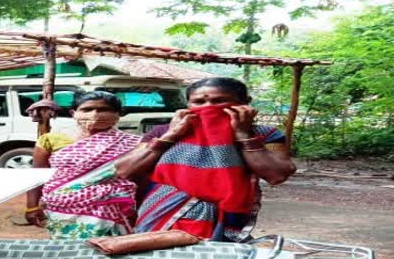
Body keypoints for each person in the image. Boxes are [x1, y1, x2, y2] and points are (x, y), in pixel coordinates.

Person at [115, 77, 296, 241]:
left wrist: (243, 134)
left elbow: (277, 174)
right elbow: (125, 170)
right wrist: (171, 135)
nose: (208, 107)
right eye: (199, 102)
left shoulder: (264, 134)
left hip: (228, 212)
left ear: (244, 104)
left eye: (219, 101)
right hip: (163, 209)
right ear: (188, 105)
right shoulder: (164, 132)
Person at [25, 91, 142, 239]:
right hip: (60, 206)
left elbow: (138, 178)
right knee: (65, 250)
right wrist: (31, 206)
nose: (95, 114)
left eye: (104, 110)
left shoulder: (133, 143)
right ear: (74, 113)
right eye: (87, 109)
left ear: (118, 114)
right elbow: (36, 175)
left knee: (106, 251)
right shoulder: (50, 140)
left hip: (110, 206)